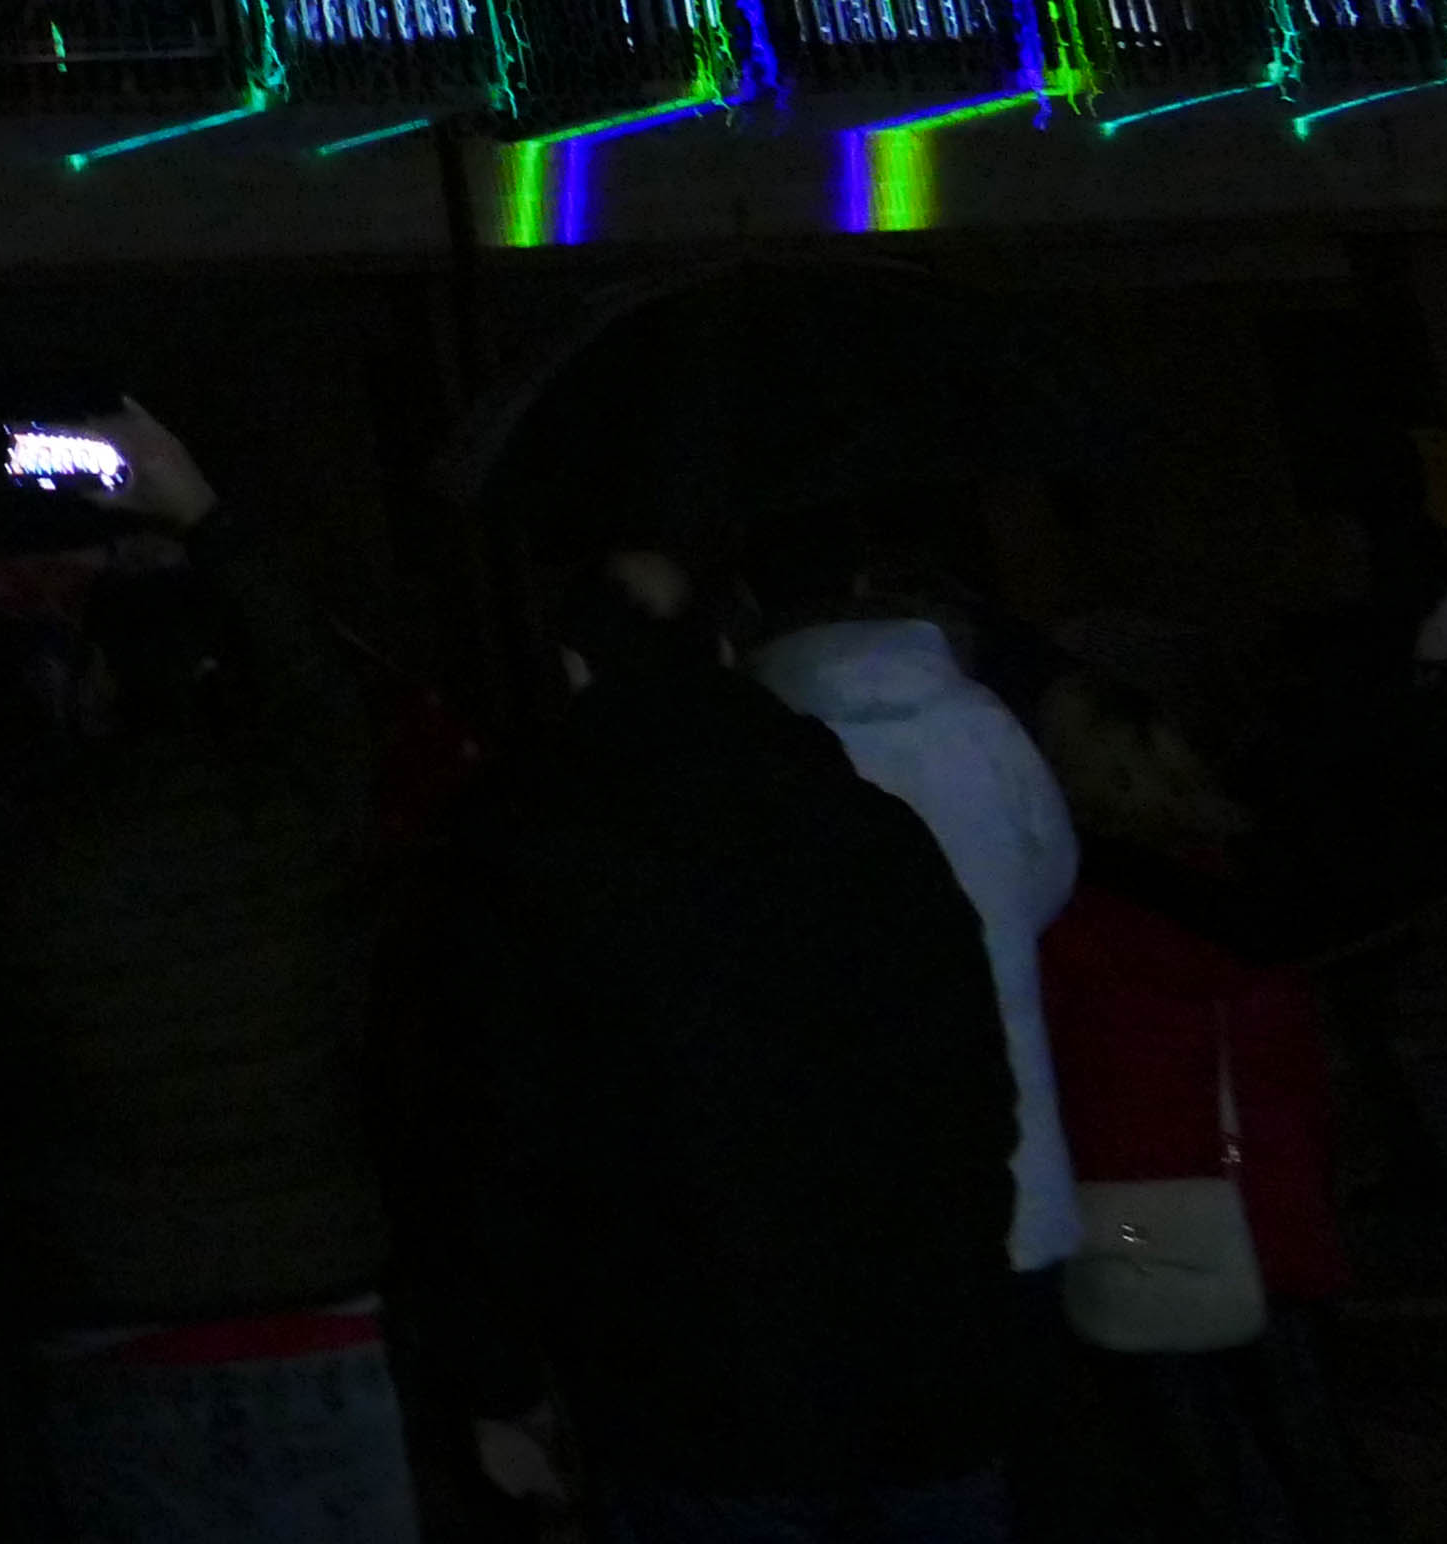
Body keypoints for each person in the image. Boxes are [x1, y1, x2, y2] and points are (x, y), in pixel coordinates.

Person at [394, 547, 1019, 1543]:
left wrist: (496, 1379)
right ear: (727, 650)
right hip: (924, 1372)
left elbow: (494, 1138)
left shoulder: (526, 863)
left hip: (698, 1396)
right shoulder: (872, 835)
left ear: (574, 667)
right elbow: (977, 1094)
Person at [0, 406, 408, 1543]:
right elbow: (323, 697)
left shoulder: (16, 850)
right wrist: (204, 515)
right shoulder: (292, 811)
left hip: (114, 1324)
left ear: (92, 681)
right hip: (316, 1306)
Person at [1029, 664, 1386, 1544]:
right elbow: (1295, 1067)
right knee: (1312, 1442)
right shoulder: (1251, 898)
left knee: (1186, 1464)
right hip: (1264, 1194)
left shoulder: (1064, 914)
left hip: (1131, 1209)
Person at [752, 575, 1086, 1286]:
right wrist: (995, 926)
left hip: (844, 1074)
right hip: (993, 1047)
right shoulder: (978, 719)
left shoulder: (769, 742)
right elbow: (1051, 868)